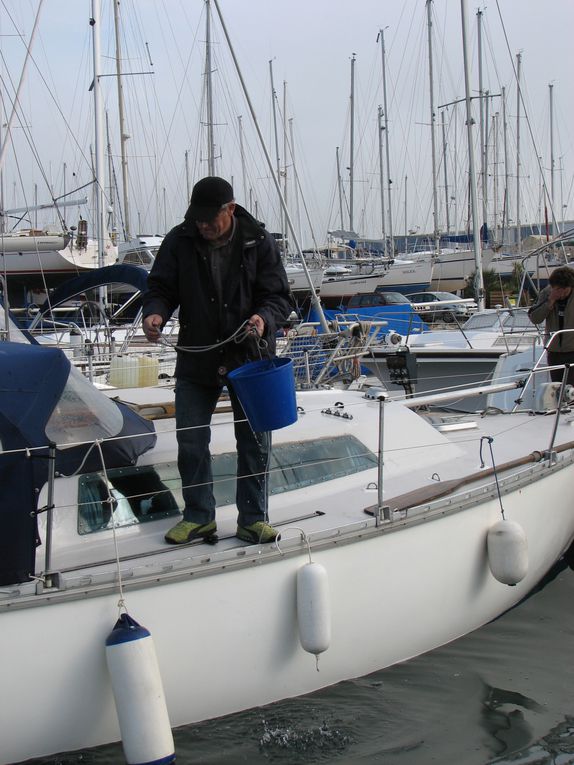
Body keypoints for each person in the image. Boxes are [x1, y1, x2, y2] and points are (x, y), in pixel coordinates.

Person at [142, 176, 292, 545]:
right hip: (198, 356)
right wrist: (155, 312)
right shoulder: (180, 239)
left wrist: (263, 319)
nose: (204, 226)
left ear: (231, 208)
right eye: (199, 219)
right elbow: (160, 287)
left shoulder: (259, 240)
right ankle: (198, 517)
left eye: (210, 219)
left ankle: (253, 519)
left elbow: (278, 296)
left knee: (254, 442)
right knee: (191, 438)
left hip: (249, 356)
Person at [528, 265, 574, 385]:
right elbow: (535, 318)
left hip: (573, 350)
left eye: (563, 290)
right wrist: (550, 302)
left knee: (570, 391)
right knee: (557, 389)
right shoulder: (547, 293)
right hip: (554, 352)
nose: (560, 293)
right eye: (556, 289)